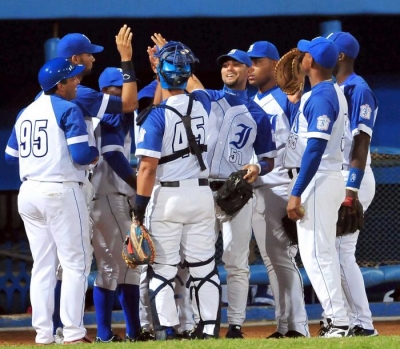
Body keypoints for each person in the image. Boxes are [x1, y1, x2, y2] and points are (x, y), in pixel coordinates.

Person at [51, 24, 138, 343]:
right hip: (77, 188)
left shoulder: (39, 101)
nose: (93, 58)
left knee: (59, 265)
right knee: (84, 264)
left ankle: (54, 330)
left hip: (48, 186)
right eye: (89, 54)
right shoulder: (82, 95)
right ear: (75, 59)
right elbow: (128, 104)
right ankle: (81, 331)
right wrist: (127, 60)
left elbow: (11, 155)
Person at [4, 58, 99, 345]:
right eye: (73, 79)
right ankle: (73, 333)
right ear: (60, 85)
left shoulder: (25, 111)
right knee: (75, 264)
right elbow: (82, 156)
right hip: (60, 190)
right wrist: (94, 155)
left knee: (43, 265)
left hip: (29, 192)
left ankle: (43, 334)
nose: (77, 82)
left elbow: (10, 156)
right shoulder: (68, 108)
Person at [134, 41, 221, 340]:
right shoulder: (204, 101)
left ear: (160, 73)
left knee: (163, 269)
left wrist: (138, 209)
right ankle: (209, 329)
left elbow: (147, 169)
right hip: (201, 196)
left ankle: (166, 331)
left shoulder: (155, 115)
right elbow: (194, 82)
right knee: (204, 267)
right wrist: (174, 57)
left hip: (168, 197)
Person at [206, 49, 276, 338]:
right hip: (202, 190)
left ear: (249, 73)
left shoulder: (259, 114)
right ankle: (201, 323)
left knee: (236, 261)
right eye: (225, 63)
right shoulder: (206, 98)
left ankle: (235, 325)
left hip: (236, 190)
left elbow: (269, 158)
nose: (229, 67)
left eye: (236, 63)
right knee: (197, 261)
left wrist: (258, 166)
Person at [283, 37, 350, 338]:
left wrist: (296, 191)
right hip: (324, 176)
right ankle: (335, 318)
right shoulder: (324, 91)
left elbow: (315, 150)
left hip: (318, 179)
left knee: (317, 255)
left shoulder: (322, 96)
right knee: (321, 254)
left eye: (305, 53)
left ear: (312, 62)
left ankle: (339, 321)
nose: (300, 56)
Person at [247, 41, 309, 338]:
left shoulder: (286, 98)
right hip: (260, 187)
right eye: (250, 62)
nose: (250, 67)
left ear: (275, 65)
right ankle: (284, 326)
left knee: (282, 257)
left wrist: (296, 100)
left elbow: (301, 132)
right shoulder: (252, 101)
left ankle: (298, 327)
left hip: (283, 185)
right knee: (272, 260)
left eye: (257, 62)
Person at [325, 31, 379, 337]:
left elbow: (361, 143)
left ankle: (362, 323)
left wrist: (351, 192)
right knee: (334, 251)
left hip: (353, 177)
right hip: (340, 176)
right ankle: (350, 320)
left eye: (329, 51)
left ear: (341, 56)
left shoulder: (359, 90)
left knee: (342, 251)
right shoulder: (335, 88)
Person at [89, 67, 142, 342]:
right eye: (122, 88)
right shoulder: (112, 114)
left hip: (101, 196)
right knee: (129, 265)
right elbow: (112, 154)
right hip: (109, 195)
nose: (128, 93)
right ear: (111, 90)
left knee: (110, 268)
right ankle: (131, 332)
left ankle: (108, 334)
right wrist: (137, 184)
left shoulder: (102, 112)